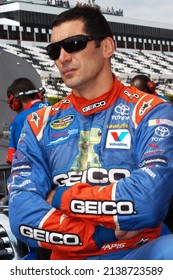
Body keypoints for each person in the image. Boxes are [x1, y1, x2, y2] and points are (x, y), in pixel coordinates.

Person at [7, 5, 173, 260]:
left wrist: (59, 197)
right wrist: (98, 235)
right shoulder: (38, 123)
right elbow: (22, 213)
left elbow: (147, 202)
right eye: (54, 50)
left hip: (138, 255)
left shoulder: (151, 111)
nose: (62, 57)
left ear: (106, 47)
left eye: (74, 44)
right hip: (67, 262)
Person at [6, 77, 50, 165]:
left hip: (36, 171)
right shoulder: (56, 108)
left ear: (15, 102)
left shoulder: (19, 120)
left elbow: (14, 158)